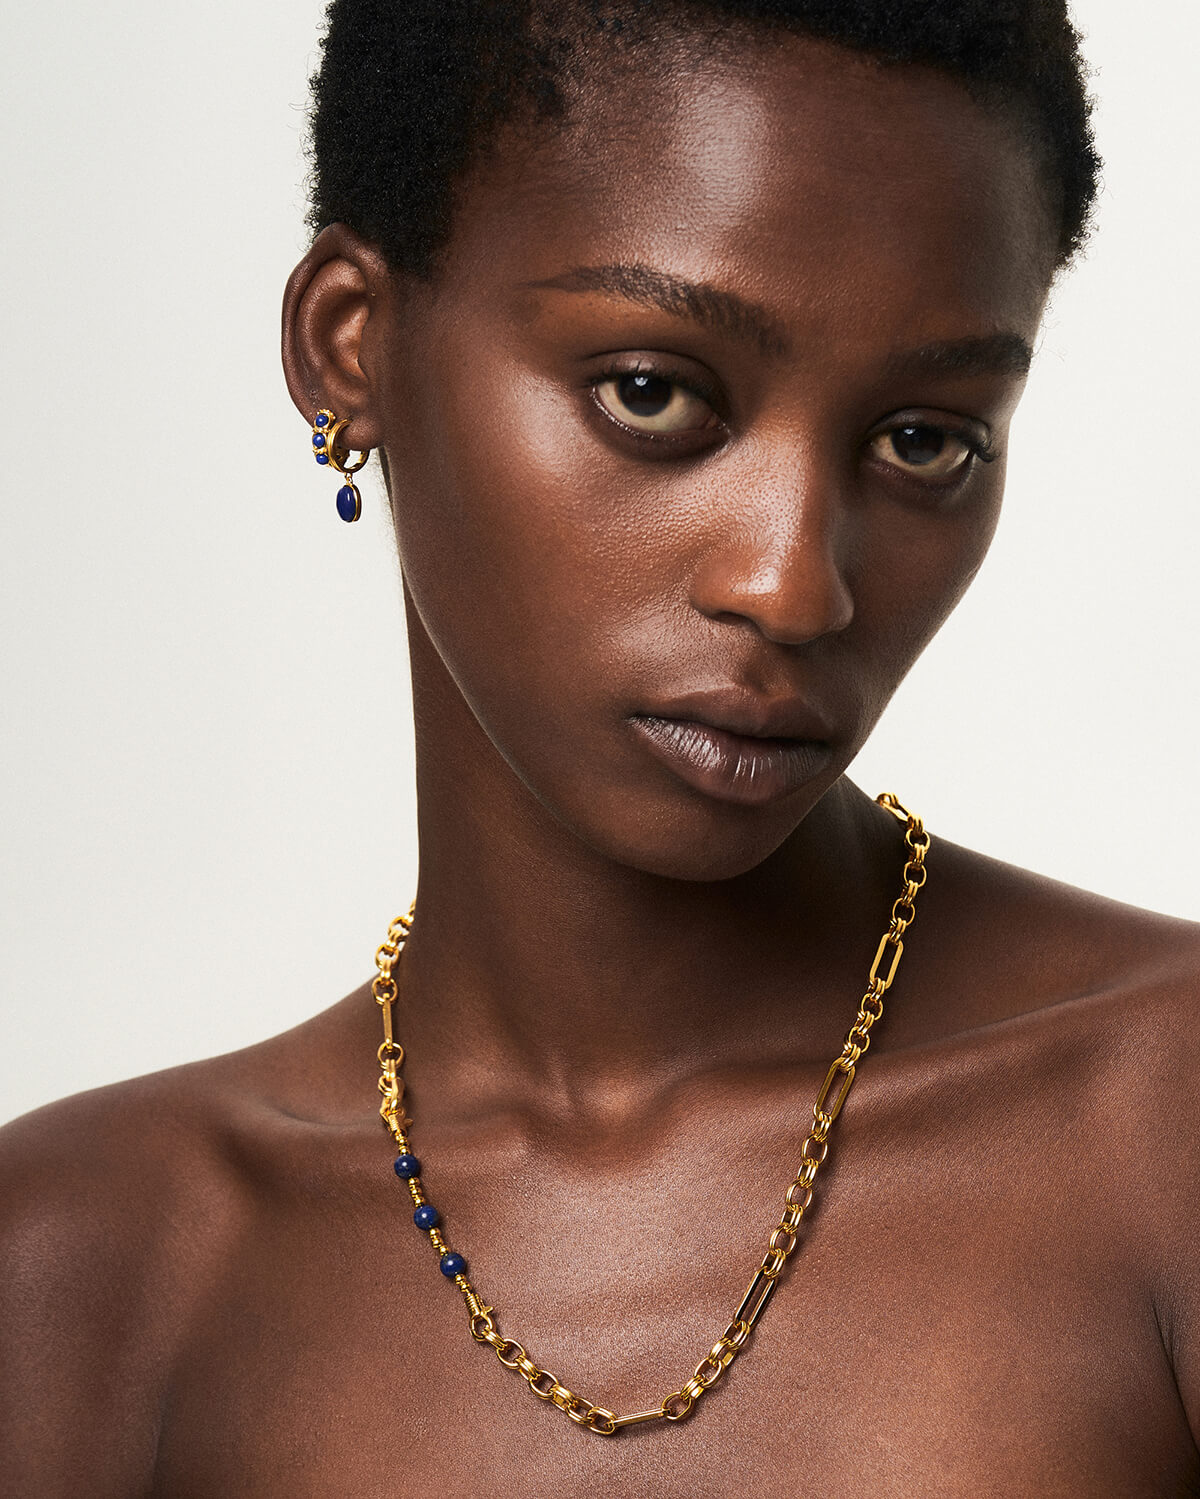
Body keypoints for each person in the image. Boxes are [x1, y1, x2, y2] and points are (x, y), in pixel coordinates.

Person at [3, 0, 1198, 1491]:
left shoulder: (1167, 1123)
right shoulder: (83, 1277)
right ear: (348, 349)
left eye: (923, 440)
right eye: (655, 394)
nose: (791, 584)